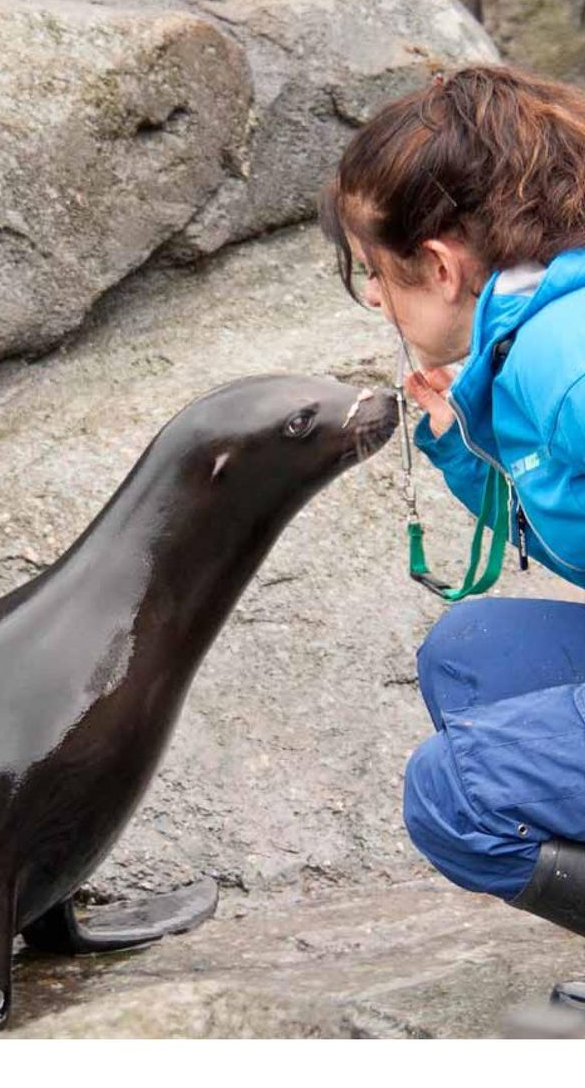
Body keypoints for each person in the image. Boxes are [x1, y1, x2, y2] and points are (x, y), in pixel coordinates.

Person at [319, 63, 585, 1010]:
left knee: (456, 796)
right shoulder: (537, 331)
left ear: (439, 265)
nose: (382, 308)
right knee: (472, 655)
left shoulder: (565, 353)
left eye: (380, 279)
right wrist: (470, 456)